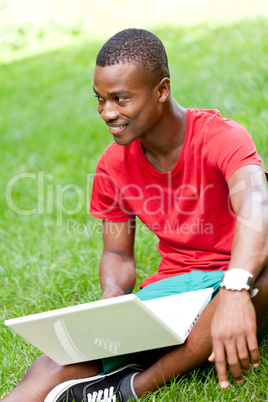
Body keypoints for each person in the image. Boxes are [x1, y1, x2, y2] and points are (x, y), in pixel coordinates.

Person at [4, 28, 268, 402]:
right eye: (100, 99)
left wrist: (236, 288)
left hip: (240, 273)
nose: (107, 113)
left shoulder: (220, 137)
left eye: (121, 99)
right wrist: (112, 296)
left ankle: (128, 388)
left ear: (161, 90)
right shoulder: (113, 165)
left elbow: (258, 207)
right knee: (63, 360)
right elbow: (116, 255)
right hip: (175, 291)